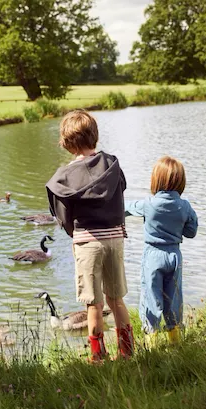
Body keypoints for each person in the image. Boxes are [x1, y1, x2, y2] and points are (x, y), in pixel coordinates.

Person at [46, 109, 134, 361]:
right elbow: (121, 190)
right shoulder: (112, 163)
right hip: (115, 238)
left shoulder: (63, 177)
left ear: (67, 142)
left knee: (93, 304)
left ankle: (97, 357)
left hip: (87, 242)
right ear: (94, 135)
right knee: (116, 299)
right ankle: (127, 353)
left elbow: (62, 215)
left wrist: (77, 235)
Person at [125, 156, 198, 346]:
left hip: (153, 255)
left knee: (151, 298)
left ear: (156, 180)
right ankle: (175, 341)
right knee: (174, 298)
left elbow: (125, 209)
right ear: (181, 181)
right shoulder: (185, 206)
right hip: (174, 256)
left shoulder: (148, 204)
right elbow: (191, 232)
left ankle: (152, 345)